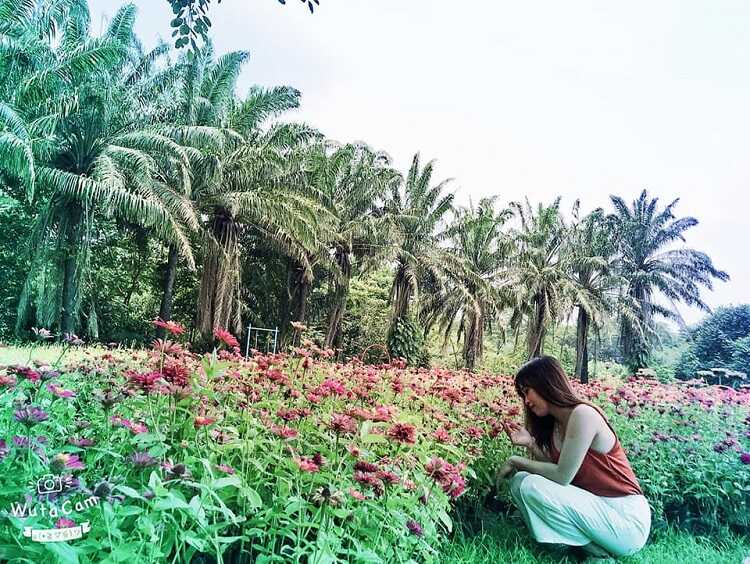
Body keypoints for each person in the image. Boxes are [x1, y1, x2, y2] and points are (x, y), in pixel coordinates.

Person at [496, 356, 651, 561]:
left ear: (546, 383)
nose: (526, 401)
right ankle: (585, 548)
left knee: (531, 484)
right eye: (522, 395)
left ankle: (595, 552)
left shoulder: (583, 414)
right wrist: (531, 444)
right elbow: (558, 471)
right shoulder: (557, 424)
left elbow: (561, 476)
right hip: (596, 509)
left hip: (626, 521)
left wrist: (515, 460)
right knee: (520, 481)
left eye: (527, 391)